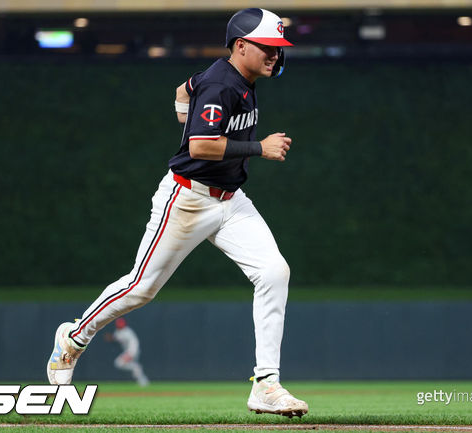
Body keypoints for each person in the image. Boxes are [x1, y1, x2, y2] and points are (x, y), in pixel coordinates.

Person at [47, 7, 308, 418]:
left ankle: (266, 384)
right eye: (268, 46)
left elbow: (183, 90)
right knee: (141, 288)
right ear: (241, 46)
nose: (276, 55)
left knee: (274, 271)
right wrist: (259, 147)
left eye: (278, 48)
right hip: (187, 199)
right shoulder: (224, 83)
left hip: (231, 201)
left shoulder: (229, 78)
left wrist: (187, 120)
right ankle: (74, 338)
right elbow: (200, 147)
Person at [104, 318, 150, 387]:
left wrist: (130, 354)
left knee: (119, 363)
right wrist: (111, 338)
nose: (120, 325)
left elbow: (134, 343)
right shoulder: (118, 332)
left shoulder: (128, 332)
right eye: (119, 324)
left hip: (132, 351)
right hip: (128, 351)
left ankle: (139, 374)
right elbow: (116, 338)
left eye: (121, 324)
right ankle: (143, 380)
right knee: (130, 366)